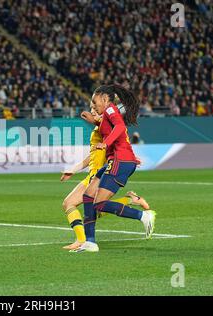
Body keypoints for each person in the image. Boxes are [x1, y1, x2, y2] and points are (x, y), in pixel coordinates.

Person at [74, 84, 156, 253]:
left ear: (105, 99)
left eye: (95, 102)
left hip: (119, 160)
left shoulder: (111, 109)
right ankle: (90, 242)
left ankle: (143, 216)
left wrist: (105, 143)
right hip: (116, 160)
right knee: (88, 195)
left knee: (99, 204)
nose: (93, 105)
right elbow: (108, 124)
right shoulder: (106, 114)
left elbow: (119, 127)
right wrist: (94, 120)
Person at [61, 108, 150, 251]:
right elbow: (94, 154)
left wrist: (128, 158)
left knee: (72, 203)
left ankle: (82, 240)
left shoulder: (104, 127)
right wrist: (74, 169)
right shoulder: (98, 129)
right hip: (92, 174)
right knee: (93, 207)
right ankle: (131, 200)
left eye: (95, 107)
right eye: (91, 108)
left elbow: (116, 141)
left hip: (99, 173)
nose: (92, 110)